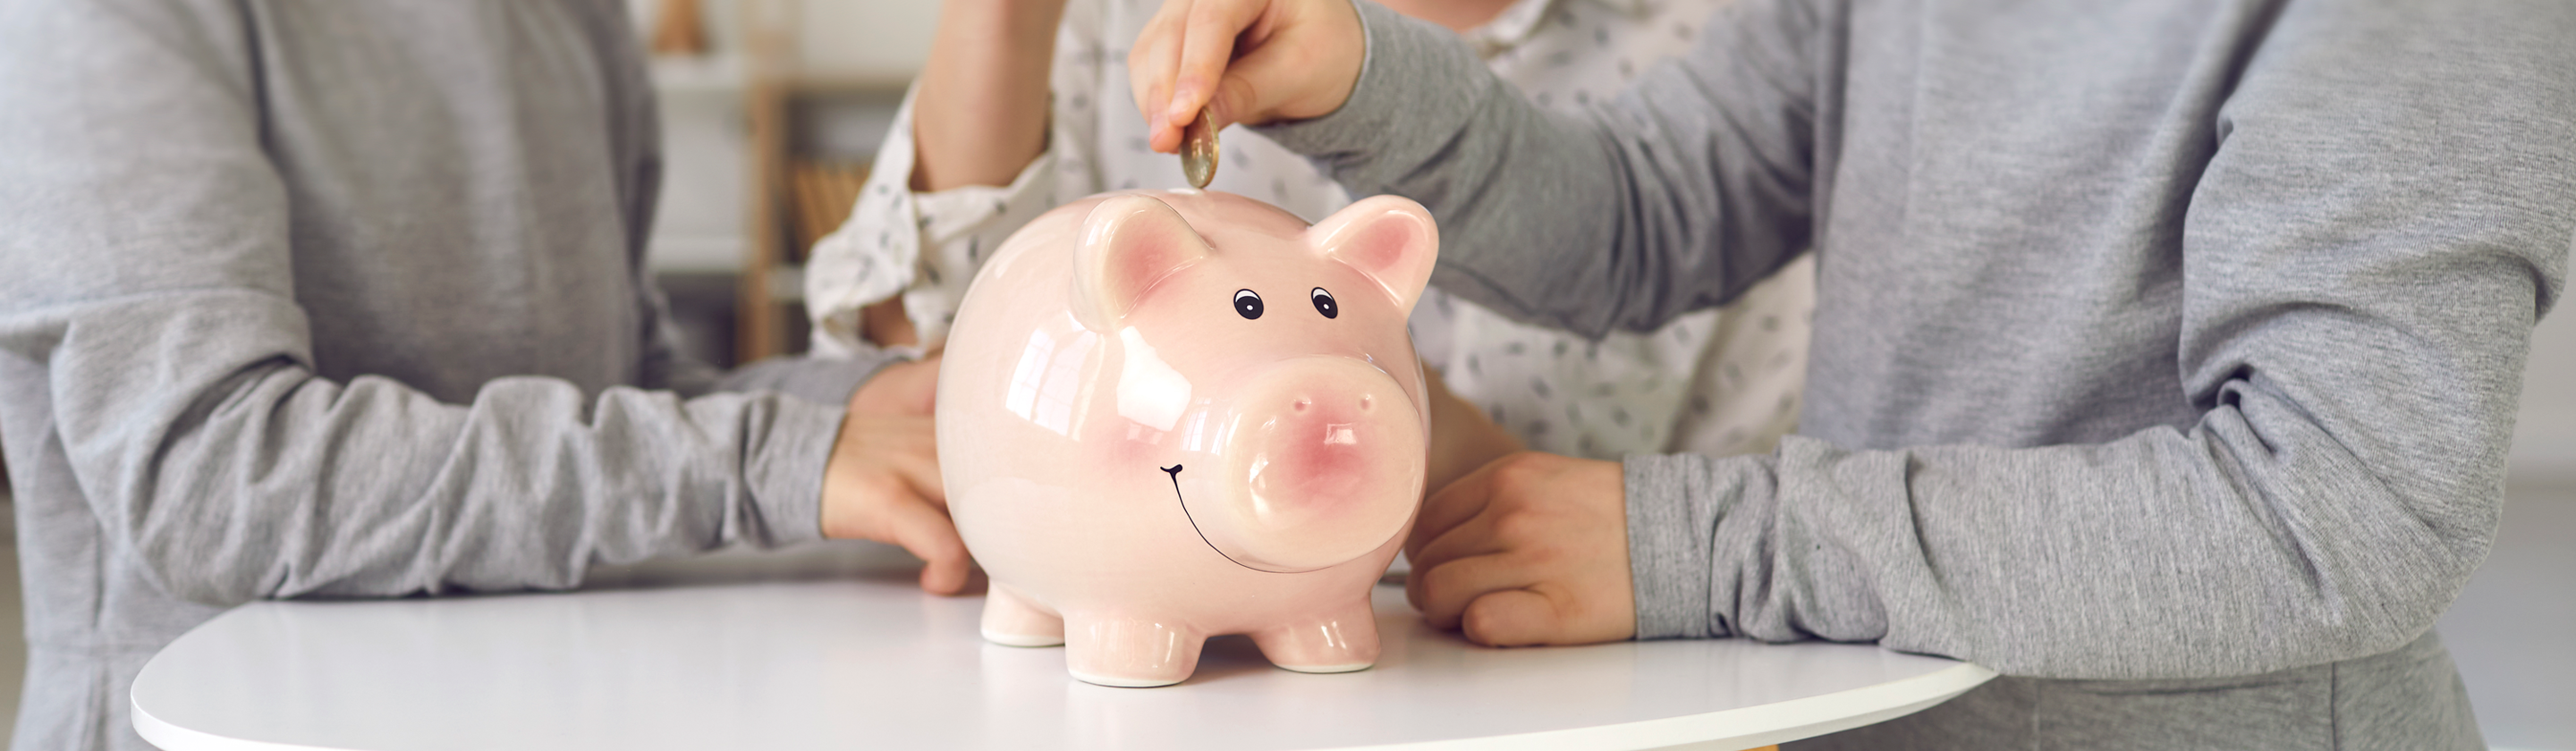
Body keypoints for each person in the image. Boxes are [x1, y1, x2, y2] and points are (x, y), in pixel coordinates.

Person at [1124, 0, 2575, 747]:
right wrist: (1360, 81)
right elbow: (1641, 216)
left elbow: (2326, 521)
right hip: (1880, 729)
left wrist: (1693, 544)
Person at [0, 3, 969, 748]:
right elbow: (214, 478)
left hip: (542, 713)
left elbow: (619, 401)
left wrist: (844, 409)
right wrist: (768, 457)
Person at [803, 0, 1818, 492]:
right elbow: (915, 386)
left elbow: (1785, 506)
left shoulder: (1748, 61)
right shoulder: (1130, 24)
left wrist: (1450, 461)